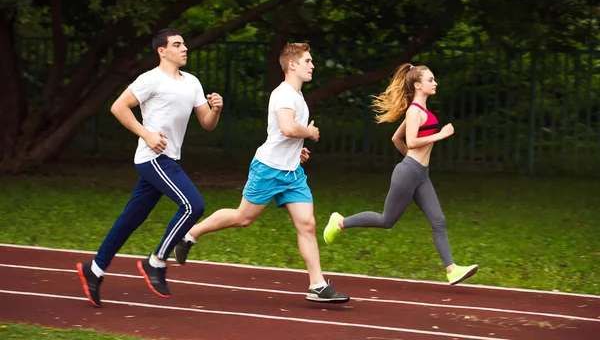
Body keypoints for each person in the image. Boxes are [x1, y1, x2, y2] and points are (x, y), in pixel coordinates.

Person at [174, 42, 350, 303]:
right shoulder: (284, 94)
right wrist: (310, 133)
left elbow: (285, 135)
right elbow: (288, 128)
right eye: (307, 61)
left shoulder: (297, 96)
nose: (312, 65)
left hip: (291, 173)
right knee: (242, 218)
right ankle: (190, 235)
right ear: (292, 65)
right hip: (268, 169)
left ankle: (317, 285)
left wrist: (297, 151)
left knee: (308, 224)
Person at [76, 28, 223, 307]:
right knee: (194, 206)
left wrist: (215, 109)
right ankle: (156, 262)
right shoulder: (150, 79)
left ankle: (93, 270)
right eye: (177, 45)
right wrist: (146, 134)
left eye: (184, 44)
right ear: (162, 51)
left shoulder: (192, 82)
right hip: (153, 158)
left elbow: (206, 123)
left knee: (129, 220)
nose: (184, 49)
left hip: (170, 159)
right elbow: (118, 107)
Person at [323, 63, 478, 285]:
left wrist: (412, 161)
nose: (435, 83)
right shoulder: (414, 110)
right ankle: (339, 222)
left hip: (420, 174)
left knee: (438, 220)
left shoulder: (421, 111)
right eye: (430, 80)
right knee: (387, 220)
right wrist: (440, 136)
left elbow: (396, 138)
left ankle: (451, 269)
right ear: (417, 84)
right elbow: (412, 141)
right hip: (408, 174)